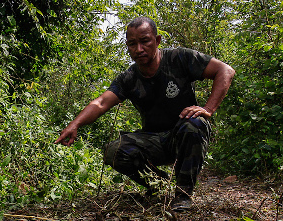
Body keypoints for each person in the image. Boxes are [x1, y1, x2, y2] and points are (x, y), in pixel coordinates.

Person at [55, 16, 235, 207]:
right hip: (154, 141)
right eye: (132, 44)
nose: (139, 49)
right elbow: (101, 102)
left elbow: (225, 70)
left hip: (184, 134)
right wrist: (75, 124)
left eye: (145, 41)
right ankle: (158, 185)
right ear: (128, 46)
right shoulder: (129, 78)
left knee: (195, 124)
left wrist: (208, 109)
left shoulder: (179, 58)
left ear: (156, 41)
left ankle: (183, 194)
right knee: (114, 151)